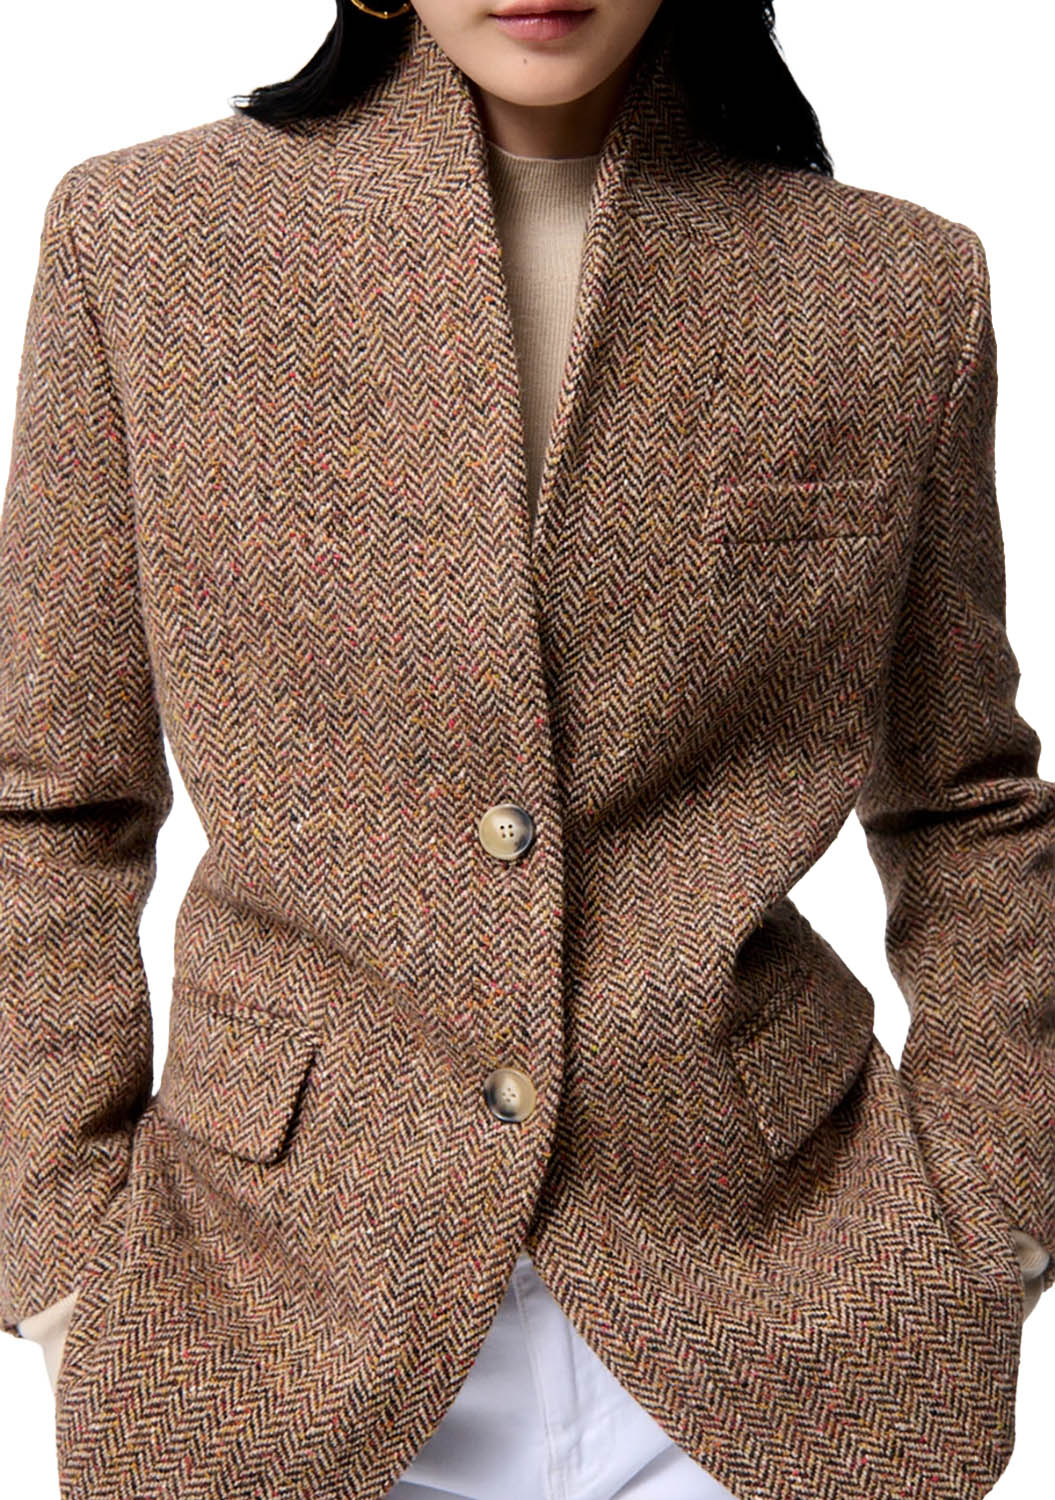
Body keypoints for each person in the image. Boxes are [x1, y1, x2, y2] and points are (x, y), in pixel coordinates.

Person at [1, 3, 1051, 1498]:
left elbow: (964, 801)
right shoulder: (147, 245)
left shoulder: (891, 286)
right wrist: (57, 1257)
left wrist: (1000, 1214)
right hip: (269, 1318)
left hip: (789, 1312)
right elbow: (49, 798)